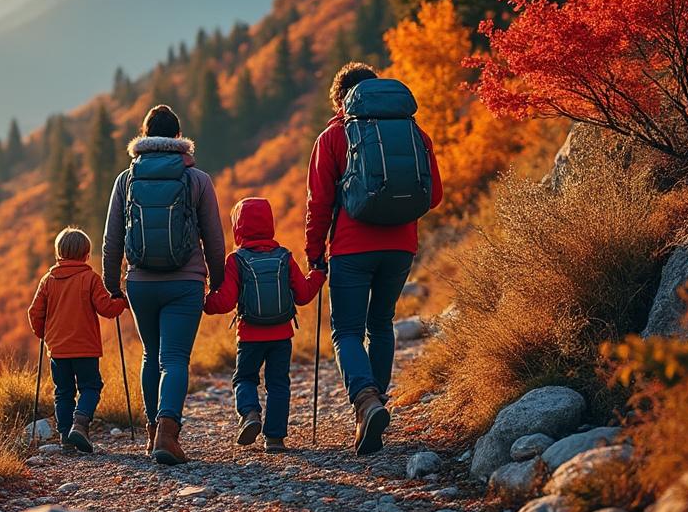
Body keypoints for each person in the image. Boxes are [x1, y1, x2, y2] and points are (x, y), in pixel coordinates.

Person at [305, 62, 443, 456]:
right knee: (381, 323)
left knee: (347, 331)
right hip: (401, 247)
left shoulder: (334, 136)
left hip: (351, 249)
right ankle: (377, 403)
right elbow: (433, 196)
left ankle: (366, 402)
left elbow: (319, 204)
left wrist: (314, 253)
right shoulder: (414, 132)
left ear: (341, 99)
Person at [103, 104, 225, 465]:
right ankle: (167, 435)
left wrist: (112, 285)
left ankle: (152, 433)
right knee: (174, 358)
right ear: (178, 137)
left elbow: (112, 239)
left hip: (140, 282)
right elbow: (214, 239)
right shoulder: (197, 179)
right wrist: (217, 282)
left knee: (150, 355)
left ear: (144, 136)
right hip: (185, 282)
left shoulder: (126, 180)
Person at [203, 197, 325, 452]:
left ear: (238, 226)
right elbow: (303, 295)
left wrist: (204, 301)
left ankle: (250, 414)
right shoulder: (284, 257)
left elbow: (224, 302)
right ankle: (275, 438)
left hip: (249, 336)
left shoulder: (236, 260)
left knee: (244, 378)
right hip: (282, 335)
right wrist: (317, 275)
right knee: (278, 384)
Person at [28, 227, 128, 453]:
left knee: (63, 392)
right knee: (90, 387)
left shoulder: (48, 280)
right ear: (86, 254)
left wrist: (44, 334)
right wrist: (121, 301)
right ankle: (80, 424)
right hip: (85, 349)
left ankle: (66, 437)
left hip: (58, 350)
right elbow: (106, 309)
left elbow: (34, 313)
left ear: (59, 253)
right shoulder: (90, 278)